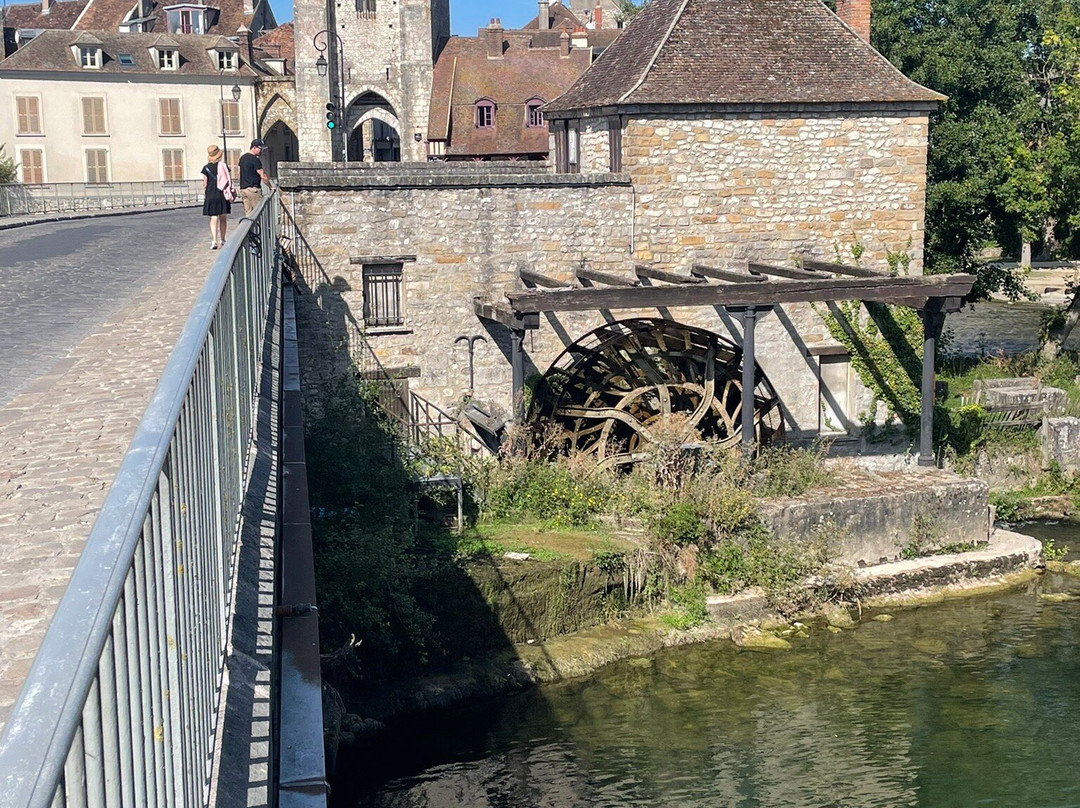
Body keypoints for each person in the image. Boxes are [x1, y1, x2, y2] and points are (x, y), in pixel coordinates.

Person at [201, 145, 233, 249]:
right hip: (222, 194)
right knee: (223, 218)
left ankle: (214, 240)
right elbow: (229, 180)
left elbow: (205, 183)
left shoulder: (206, 168)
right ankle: (223, 239)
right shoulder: (223, 166)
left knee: (213, 217)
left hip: (211, 194)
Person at [239, 138, 273, 215]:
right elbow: (263, 176)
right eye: (260, 149)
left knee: (249, 214)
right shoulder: (255, 159)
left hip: (244, 189)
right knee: (258, 213)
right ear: (254, 148)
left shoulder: (242, 158)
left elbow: (239, 172)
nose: (262, 151)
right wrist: (270, 187)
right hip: (253, 190)